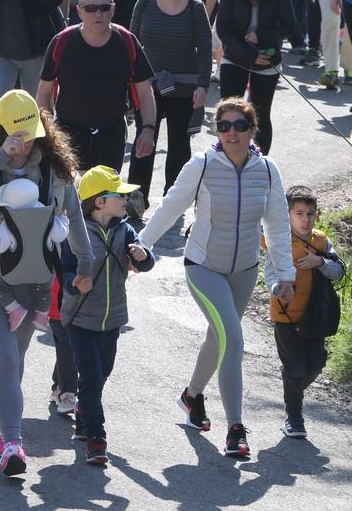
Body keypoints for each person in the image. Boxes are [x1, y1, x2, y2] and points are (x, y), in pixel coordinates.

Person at [136, 97, 295, 459]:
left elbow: (278, 226)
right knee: (233, 340)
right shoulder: (203, 164)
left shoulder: (267, 170)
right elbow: (172, 204)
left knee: (218, 337)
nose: (231, 133)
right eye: (224, 126)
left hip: (244, 270)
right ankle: (235, 430)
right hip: (203, 266)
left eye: (240, 125)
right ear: (216, 130)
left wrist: (285, 272)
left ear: (253, 130)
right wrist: (143, 243)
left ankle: (191, 397)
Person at [0, 90, 95, 477]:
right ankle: (13, 443)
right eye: (16, 134)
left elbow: (75, 217)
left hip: (32, 278)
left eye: (31, 133)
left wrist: (86, 261)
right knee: (4, 355)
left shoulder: (55, 166)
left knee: (14, 358)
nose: (24, 142)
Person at [59, 166, 156, 465]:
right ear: (99, 201)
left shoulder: (124, 229)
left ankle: (84, 410)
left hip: (111, 320)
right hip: (80, 319)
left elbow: (146, 261)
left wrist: (144, 256)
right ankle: (96, 437)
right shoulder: (74, 232)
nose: (127, 199)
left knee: (101, 375)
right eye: (120, 195)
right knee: (89, 377)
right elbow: (63, 269)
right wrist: (74, 282)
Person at [37, 0, 157, 171]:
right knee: (72, 195)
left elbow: (144, 93)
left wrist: (148, 130)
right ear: (80, 10)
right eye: (91, 8)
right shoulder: (62, 41)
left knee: (107, 196)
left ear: (113, 9)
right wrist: (46, 131)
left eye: (104, 7)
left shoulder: (127, 41)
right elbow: (44, 92)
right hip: (68, 132)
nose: (98, 14)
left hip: (112, 134)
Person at [127, 0, 210, 202]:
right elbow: (132, 43)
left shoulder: (195, 6)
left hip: (183, 87)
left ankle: (172, 199)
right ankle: (136, 197)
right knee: (144, 138)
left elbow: (205, 48)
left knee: (178, 144)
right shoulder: (144, 1)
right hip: (148, 87)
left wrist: (203, 85)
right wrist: (128, 81)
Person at [268, 186, 344, 439]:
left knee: (317, 363)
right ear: (287, 214)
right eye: (298, 213)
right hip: (285, 316)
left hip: (314, 315)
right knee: (297, 368)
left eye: (310, 214)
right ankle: (294, 417)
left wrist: (319, 262)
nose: (305, 219)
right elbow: (267, 270)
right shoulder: (275, 238)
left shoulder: (321, 241)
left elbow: (338, 271)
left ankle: (292, 389)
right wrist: (279, 287)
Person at [214, 0, 294, 153]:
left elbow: (289, 26)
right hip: (235, 57)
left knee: (260, 112)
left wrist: (262, 36)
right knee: (229, 111)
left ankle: (260, 160)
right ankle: (226, 155)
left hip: (268, 59)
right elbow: (223, 29)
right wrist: (249, 54)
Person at [0, 177, 72, 330]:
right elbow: (60, 235)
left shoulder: (9, 223)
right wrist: (64, 219)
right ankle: (42, 313)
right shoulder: (47, 217)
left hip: (13, 272)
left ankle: (15, 309)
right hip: (44, 271)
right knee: (47, 287)